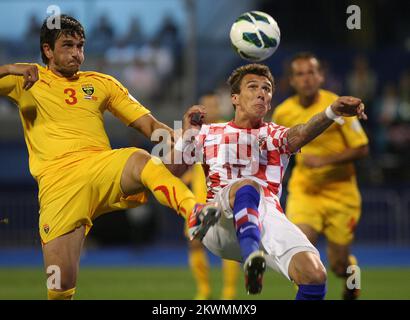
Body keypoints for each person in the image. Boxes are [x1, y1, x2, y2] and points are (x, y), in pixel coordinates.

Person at [0, 14, 219, 300]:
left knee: (141, 160)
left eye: (80, 46)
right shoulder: (24, 80)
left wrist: (184, 135)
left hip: (100, 167)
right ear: (47, 50)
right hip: (57, 186)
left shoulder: (102, 84)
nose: (77, 53)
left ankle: (193, 212)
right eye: (67, 46)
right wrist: (8, 67)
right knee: (60, 287)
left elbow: (151, 127)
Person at [181, 63, 367, 300]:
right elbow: (173, 165)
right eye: (253, 87)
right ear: (234, 98)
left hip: (265, 216)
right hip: (221, 224)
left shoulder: (274, 134)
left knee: (315, 274)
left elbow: (301, 132)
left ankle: (251, 255)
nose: (261, 92)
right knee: (247, 186)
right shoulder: (208, 132)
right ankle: (245, 251)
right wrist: (186, 135)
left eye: (267, 89)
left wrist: (332, 111)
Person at [272, 52, 369, 300]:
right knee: (301, 250)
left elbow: (362, 148)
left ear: (321, 76)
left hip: (341, 193)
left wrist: (323, 161)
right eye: (300, 74)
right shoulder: (283, 113)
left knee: (338, 264)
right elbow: (275, 149)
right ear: (291, 81)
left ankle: (351, 274)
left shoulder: (337, 105)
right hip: (304, 192)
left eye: (311, 72)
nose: (306, 79)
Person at [182, 94, 239, 300]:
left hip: (223, 197)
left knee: (228, 244)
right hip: (198, 198)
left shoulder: (230, 129)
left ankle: (229, 292)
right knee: (194, 242)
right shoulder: (196, 132)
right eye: (206, 106)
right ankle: (204, 290)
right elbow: (193, 161)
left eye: (214, 105)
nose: (210, 109)